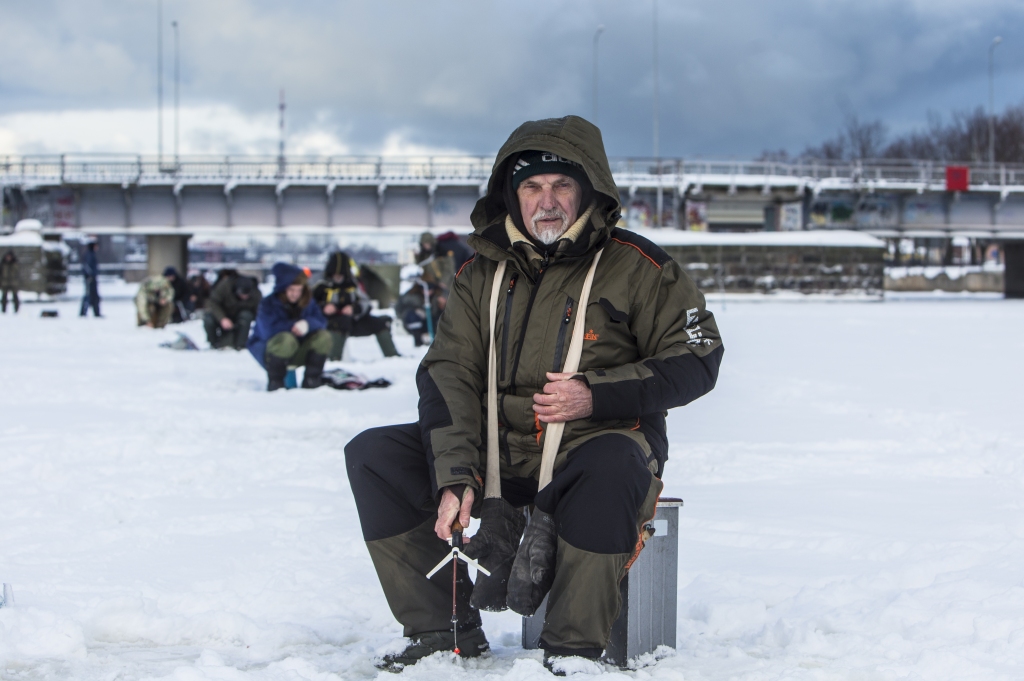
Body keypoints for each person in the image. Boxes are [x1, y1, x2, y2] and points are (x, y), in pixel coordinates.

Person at [344, 116, 724, 671]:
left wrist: (592, 394)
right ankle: (442, 631)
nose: (547, 201)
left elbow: (699, 357)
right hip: (500, 455)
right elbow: (450, 372)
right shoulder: (479, 273)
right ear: (512, 195)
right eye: (531, 187)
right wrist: (456, 476)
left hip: (592, 448)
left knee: (613, 464)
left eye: (561, 185)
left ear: (589, 189)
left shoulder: (641, 267)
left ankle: (572, 649)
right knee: (375, 456)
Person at [247, 262, 332, 391]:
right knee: (286, 339)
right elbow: (267, 331)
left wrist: (307, 324)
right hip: (270, 352)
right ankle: (276, 384)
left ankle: (312, 382)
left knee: (323, 337)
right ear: (283, 288)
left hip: (298, 349)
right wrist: (293, 326)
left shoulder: (308, 301)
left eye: (299, 290)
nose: (295, 294)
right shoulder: (268, 304)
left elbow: (321, 320)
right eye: (291, 289)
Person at [312, 252, 399, 360]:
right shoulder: (320, 285)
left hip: (353, 321)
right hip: (329, 323)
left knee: (381, 323)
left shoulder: (353, 284)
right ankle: (334, 359)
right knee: (341, 323)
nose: (338, 277)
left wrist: (354, 309)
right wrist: (323, 308)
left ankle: (393, 357)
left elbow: (366, 302)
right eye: (335, 274)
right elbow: (309, 305)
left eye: (341, 274)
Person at [204, 272, 261, 350]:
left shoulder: (256, 293)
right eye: (242, 294)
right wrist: (222, 318)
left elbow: (259, 311)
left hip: (241, 318)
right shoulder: (225, 286)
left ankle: (240, 345)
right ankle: (214, 344)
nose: (244, 297)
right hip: (223, 313)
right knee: (208, 320)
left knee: (246, 315)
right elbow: (213, 302)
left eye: (246, 295)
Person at [80, 241, 101, 317]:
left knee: (93, 296)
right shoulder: (89, 254)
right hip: (90, 278)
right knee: (89, 296)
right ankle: (83, 312)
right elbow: (87, 266)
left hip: (91, 278)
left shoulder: (91, 254)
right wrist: (90, 275)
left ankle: (96, 312)